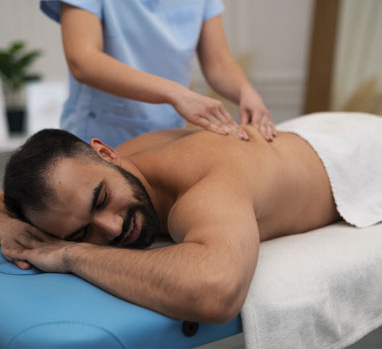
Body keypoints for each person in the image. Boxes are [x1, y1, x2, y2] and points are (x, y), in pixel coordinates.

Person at [1, 112, 381, 323]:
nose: (113, 228)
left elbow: (215, 293)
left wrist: (70, 253)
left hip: (363, 152)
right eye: (82, 232)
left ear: (107, 153)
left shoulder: (209, 186)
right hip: (309, 130)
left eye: (101, 200)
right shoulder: (114, 167)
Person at [40, 0, 276, 147]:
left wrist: (247, 92)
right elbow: (83, 60)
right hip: (100, 135)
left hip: (166, 136)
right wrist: (177, 94)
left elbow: (219, 62)